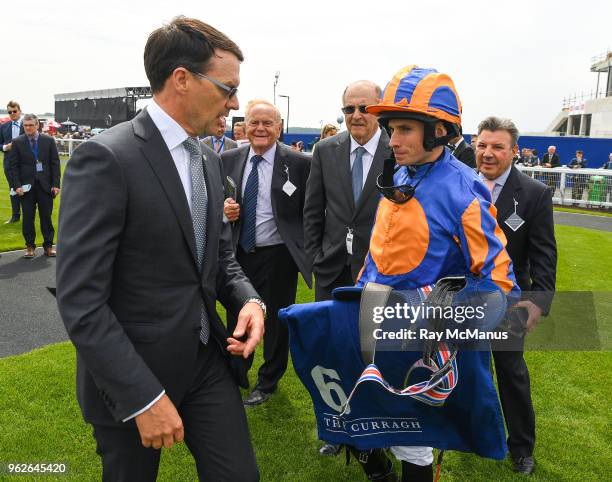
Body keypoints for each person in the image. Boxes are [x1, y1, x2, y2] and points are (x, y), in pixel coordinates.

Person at [56, 17, 263, 481]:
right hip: (132, 374)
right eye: (228, 88)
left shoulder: (207, 157)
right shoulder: (107, 158)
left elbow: (219, 258)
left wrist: (248, 299)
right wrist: (142, 398)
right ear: (182, 79)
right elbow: (81, 300)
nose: (234, 104)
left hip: (207, 363)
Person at [354, 65, 519, 482]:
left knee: (415, 439)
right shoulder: (399, 173)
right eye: (391, 129)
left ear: (438, 131)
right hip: (376, 323)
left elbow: (499, 283)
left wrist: (441, 316)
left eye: (405, 129)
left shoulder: (463, 189)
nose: (393, 140)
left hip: (422, 338)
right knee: (369, 416)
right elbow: (379, 256)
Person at [304, 80, 391, 456]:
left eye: (364, 108)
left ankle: (378, 429)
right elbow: (312, 210)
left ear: (379, 110)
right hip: (332, 268)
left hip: (378, 271)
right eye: (349, 110)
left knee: (376, 353)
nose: (356, 116)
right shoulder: (325, 150)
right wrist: (314, 258)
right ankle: (337, 430)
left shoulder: (398, 151)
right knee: (333, 352)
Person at [476, 116, 557, 476]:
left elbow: (544, 254)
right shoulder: (460, 184)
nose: (487, 153)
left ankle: (522, 448)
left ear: (513, 152)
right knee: (457, 371)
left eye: (497, 147)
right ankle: (462, 434)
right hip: (462, 298)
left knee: (511, 373)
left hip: (509, 301)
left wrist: (538, 302)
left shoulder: (535, 194)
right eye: (482, 145)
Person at [222, 99, 312, 407]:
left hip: (278, 257)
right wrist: (225, 209)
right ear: (245, 125)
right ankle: (236, 374)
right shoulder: (228, 158)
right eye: (254, 122)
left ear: (279, 128)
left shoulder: (299, 163)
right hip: (238, 254)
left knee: (276, 322)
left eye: (267, 123)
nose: (260, 128)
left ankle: (268, 381)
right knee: (237, 316)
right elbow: (215, 200)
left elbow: (310, 210)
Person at [8, 114, 60, 258]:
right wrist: (17, 185)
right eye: (25, 125)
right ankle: (30, 247)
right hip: (26, 188)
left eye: (31, 125)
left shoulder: (49, 141)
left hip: (45, 186)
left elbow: (55, 163)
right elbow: (13, 166)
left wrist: (56, 184)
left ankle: (48, 246)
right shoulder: (17, 142)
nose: (28, 128)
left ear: (37, 125)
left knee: (46, 217)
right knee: (28, 218)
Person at [0, 100, 24, 223]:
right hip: (9, 164)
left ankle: (29, 213)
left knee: (27, 188)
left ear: (19, 111)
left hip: (25, 163)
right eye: (10, 112)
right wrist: (5, 147)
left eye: (14, 111)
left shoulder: (28, 125)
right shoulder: (3, 127)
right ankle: (15, 216)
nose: (12, 113)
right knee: (13, 189)